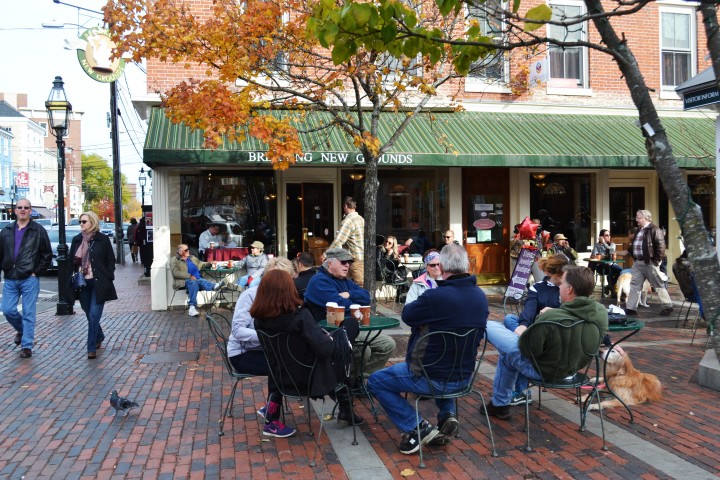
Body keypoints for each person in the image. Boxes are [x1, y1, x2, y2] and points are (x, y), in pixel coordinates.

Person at [367, 244, 488, 454]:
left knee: (375, 381)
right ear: (467, 265)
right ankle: (447, 414)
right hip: (463, 376)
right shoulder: (480, 296)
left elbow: (407, 315)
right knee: (446, 358)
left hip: (429, 377)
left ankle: (417, 427)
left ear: (441, 267)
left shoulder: (435, 297)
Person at [484, 265, 608, 420]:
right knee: (508, 353)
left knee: (489, 326)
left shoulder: (550, 317)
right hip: (573, 369)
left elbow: (528, 350)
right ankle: (498, 405)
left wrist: (529, 329)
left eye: (561, 284)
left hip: (543, 371)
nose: (558, 287)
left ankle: (500, 404)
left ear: (569, 289)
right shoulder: (601, 313)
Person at [252, 269, 364, 429]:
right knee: (348, 331)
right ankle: (346, 407)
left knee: (339, 345)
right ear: (289, 289)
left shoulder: (259, 320)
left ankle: (346, 408)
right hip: (311, 378)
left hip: (280, 377)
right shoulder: (300, 316)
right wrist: (331, 338)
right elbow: (325, 349)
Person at [227, 257, 298, 437]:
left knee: (286, 361)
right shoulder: (249, 296)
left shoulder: (283, 297)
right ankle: (271, 421)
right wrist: (266, 337)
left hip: (264, 351)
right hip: (242, 354)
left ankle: (270, 408)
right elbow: (237, 330)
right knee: (280, 367)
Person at [304, 248, 396, 382]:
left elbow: (366, 296)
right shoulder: (319, 281)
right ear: (330, 263)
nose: (347, 265)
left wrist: (350, 294)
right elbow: (341, 306)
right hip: (331, 332)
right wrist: (352, 303)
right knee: (365, 351)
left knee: (389, 344)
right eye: (343, 262)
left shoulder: (345, 281)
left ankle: (358, 379)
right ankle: (344, 381)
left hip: (352, 327)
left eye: (349, 262)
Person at [501, 254, 569, 405]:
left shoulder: (569, 288)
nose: (564, 278)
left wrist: (554, 312)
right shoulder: (537, 288)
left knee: (519, 348)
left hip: (555, 336)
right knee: (510, 320)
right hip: (535, 332)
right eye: (561, 275)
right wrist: (524, 325)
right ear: (550, 273)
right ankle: (526, 342)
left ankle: (521, 391)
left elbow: (575, 313)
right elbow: (529, 311)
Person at [0, 198, 52, 359]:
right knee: (7, 309)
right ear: (14, 210)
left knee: (29, 312)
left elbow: (47, 254)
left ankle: (27, 346)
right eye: (19, 207)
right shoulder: (6, 230)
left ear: (30, 211)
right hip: (10, 277)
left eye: (26, 207)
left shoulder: (38, 230)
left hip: (29, 278)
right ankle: (22, 330)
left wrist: (36, 271)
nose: (23, 210)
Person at [69, 211, 118, 359]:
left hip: (99, 283)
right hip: (83, 283)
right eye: (80, 222)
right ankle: (99, 336)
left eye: (84, 221)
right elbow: (72, 260)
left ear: (93, 222)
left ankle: (91, 348)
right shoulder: (77, 240)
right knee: (88, 312)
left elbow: (110, 259)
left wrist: (108, 276)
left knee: (93, 314)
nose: (81, 224)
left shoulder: (102, 240)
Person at [626, 209, 673, 316]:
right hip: (638, 262)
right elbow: (636, 245)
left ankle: (668, 306)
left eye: (638, 218)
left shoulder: (655, 229)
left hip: (649, 262)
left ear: (646, 218)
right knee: (634, 285)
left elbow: (661, 246)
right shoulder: (639, 230)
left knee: (658, 285)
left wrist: (655, 262)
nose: (636, 220)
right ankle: (631, 308)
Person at [170, 243, 222, 317]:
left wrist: (210, 263)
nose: (188, 251)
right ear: (181, 252)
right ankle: (214, 287)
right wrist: (189, 276)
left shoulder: (192, 258)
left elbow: (201, 264)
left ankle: (192, 308)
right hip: (184, 281)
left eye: (188, 249)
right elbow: (175, 273)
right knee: (194, 282)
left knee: (198, 281)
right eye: (186, 250)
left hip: (197, 279)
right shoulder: (174, 260)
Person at [329, 197, 365, 285]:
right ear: (354, 206)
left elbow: (339, 241)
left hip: (355, 259)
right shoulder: (361, 219)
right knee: (348, 285)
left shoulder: (348, 221)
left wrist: (326, 254)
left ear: (345, 206)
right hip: (362, 257)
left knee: (359, 287)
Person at [590, 229, 623, 296]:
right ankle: (612, 289)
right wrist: (603, 256)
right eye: (606, 235)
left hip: (612, 264)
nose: (608, 236)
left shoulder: (612, 244)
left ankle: (609, 286)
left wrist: (604, 244)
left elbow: (611, 250)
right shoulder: (597, 245)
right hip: (601, 266)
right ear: (601, 237)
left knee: (621, 271)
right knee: (611, 272)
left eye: (609, 235)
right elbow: (595, 255)